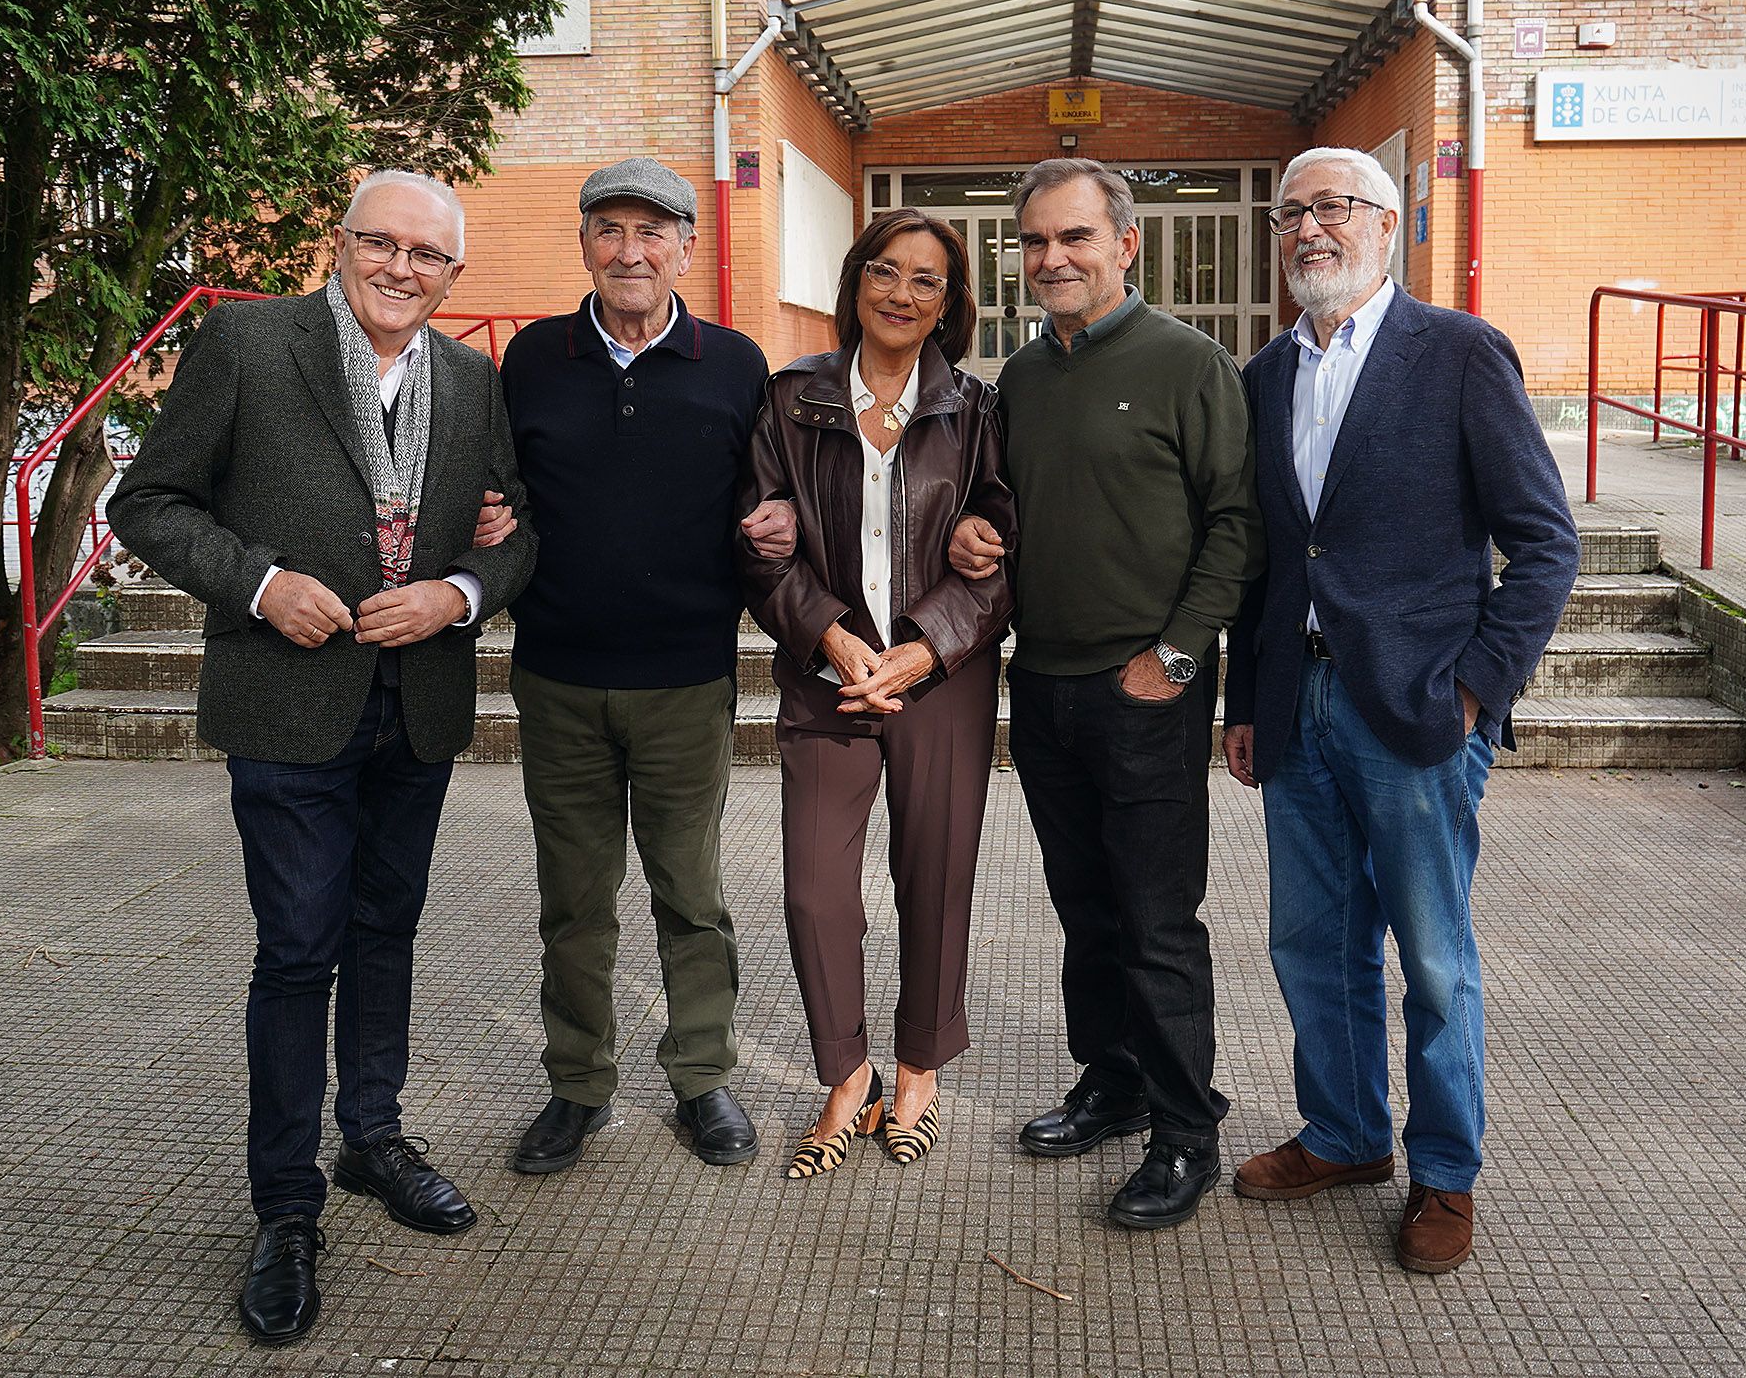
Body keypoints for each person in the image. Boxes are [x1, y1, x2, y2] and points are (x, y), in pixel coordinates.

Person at [108, 170, 536, 1345]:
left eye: (428, 256)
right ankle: (285, 1210)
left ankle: (374, 1138)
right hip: (287, 704)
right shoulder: (247, 344)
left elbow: (518, 531)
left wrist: (456, 592)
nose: (402, 268)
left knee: (385, 930)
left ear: (454, 274)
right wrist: (257, 581)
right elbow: (145, 502)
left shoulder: (469, 376)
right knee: (299, 948)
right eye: (380, 243)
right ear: (339, 244)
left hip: (419, 707)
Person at [1219, 147, 1579, 1275]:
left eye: (1331, 207)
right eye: (1290, 212)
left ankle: (1444, 1174)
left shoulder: (1460, 354)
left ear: (1385, 224)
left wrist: (1477, 684)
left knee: (1431, 957)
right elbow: (1263, 563)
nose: (1307, 230)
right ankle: (1342, 1136)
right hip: (1296, 703)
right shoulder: (1263, 374)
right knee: (1308, 945)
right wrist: (1240, 698)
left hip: (1416, 709)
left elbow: (1543, 542)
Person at [947, 158, 1260, 1230]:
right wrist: (979, 536)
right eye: (1033, 243)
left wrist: (1174, 659)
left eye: (1074, 238)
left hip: (1145, 691)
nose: (1051, 260)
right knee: (1084, 909)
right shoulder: (1019, 380)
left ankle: (1185, 1128)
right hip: (1041, 686)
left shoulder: (1189, 363)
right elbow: (1008, 514)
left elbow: (1236, 524)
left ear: (1126, 244)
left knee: (1154, 918)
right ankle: (1112, 1080)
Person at [498, 157, 774, 1175]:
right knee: (573, 898)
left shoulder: (734, 365)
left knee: (689, 893)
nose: (630, 249)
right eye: (610, 229)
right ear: (582, 243)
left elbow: (770, 494)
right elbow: (497, 497)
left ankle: (701, 1078)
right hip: (558, 675)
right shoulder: (529, 360)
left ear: (686, 247)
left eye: (653, 231)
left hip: (684, 680)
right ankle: (576, 1085)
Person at [737, 208, 1014, 1178]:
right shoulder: (787, 400)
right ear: (854, 282)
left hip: (940, 681)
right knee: (816, 892)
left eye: (925, 280)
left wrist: (925, 644)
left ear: (949, 303)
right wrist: (829, 633)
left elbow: (1000, 553)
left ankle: (918, 1070)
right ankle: (844, 1074)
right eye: (884, 273)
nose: (902, 294)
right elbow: (757, 546)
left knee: (933, 879)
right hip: (828, 678)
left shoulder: (977, 409)